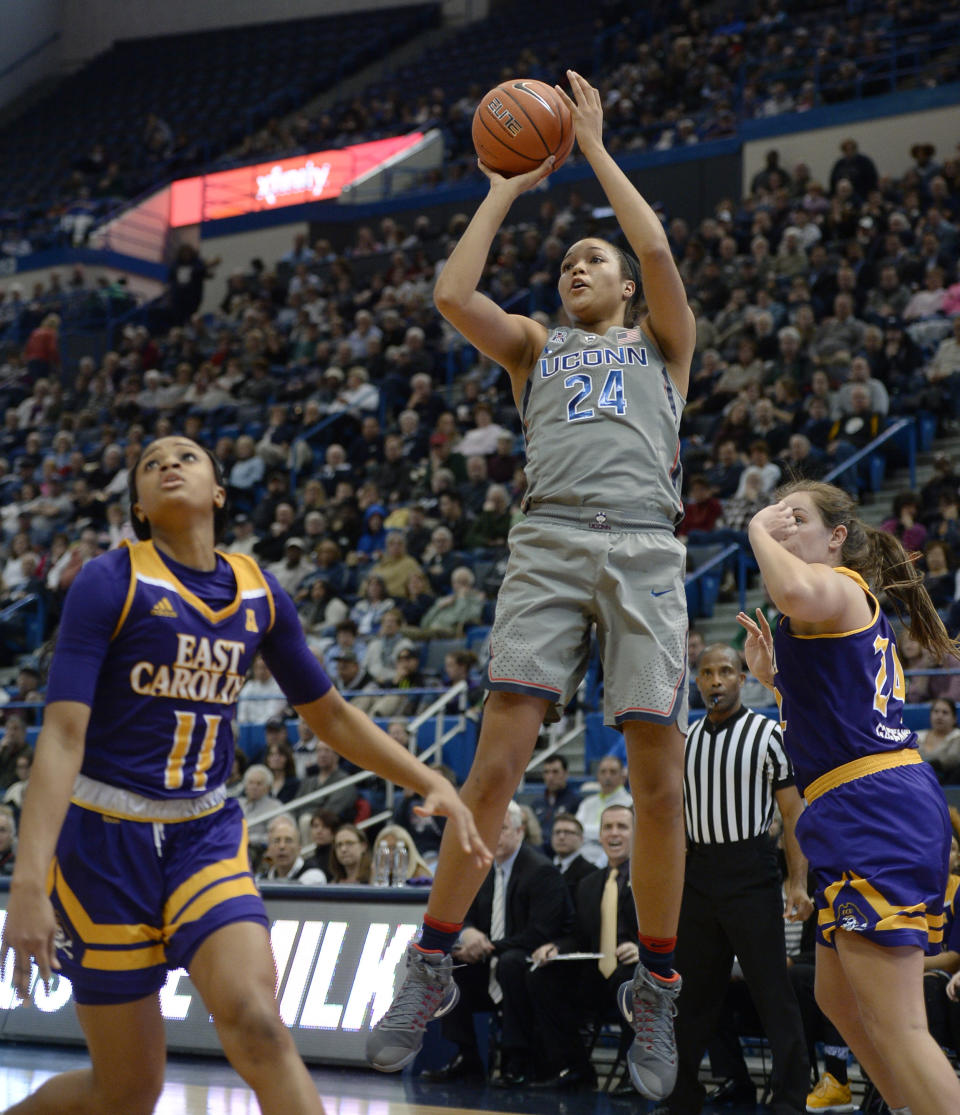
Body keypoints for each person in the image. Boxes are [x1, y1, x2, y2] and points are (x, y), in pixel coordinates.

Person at [368, 71, 695, 1104]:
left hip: (646, 545)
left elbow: (654, 247)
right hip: (549, 542)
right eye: (564, 262)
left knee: (657, 779)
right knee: (496, 765)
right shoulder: (535, 348)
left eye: (586, 257)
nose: (573, 269)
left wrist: (594, 151)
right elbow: (453, 295)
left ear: (625, 290)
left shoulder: (662, 344)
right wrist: (511, 179)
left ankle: (658, 979)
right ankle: (429, 959)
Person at [0, 435, 487, 1115]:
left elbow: (332, 715)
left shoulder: (259, 590)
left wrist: (427, 778)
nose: (170, 462)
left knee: (258, 1022)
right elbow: (60, 734)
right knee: (126, 1090)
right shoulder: (110, 580)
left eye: (188, 455)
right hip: (102, 845)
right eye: (151, 462)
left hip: (203, 832)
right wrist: (28, 883)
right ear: (139, 505)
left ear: (220, 492)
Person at [738, 479, 960, 1115]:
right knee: (838, 999)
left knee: (899, 1025)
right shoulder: (823, 615)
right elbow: (836, 719)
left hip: (876, 806)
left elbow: (793, 587)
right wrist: (775, 681)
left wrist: (757, 528)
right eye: (780, 516)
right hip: (854, 803)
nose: (783, 525)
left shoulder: (833, 587)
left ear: (836, 538)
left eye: (796, 517)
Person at [661, 643, 811, 1115]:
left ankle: (790, 1100)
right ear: (697, 681)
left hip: (751, 872)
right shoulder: (683, 739)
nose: (716, 681)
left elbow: (792, 814)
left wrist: (798, 882)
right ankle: (683, 1097)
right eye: (706, 673)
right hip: (698, 874)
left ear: (742, 678)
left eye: (725, 671)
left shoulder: (767, 734)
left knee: (773, 993)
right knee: (691, 997)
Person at [419, 801, 572, 1086]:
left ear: (519, 830)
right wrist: (469, 935)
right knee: (452, 966)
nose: (494, 836)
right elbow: (463, 915)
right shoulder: (482, 869)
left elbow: (539, 933)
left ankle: (517, 1059)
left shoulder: (542, 871)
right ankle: (466, 1056)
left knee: (511, 963)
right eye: (488, 829)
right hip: (493, 958)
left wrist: (487, 946)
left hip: (532, 961)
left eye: (501, 829)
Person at [528, 803, 638, 1091]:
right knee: (542, 976)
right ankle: (575, 1067)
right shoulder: (589, 883)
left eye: (622, 827)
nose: (614, 834)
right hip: (596, 974)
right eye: (607, 827)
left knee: (632, 978)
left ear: (637, 833)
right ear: (599, 836)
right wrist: (554, 947)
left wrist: (643, 948)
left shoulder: (652, 878)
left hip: (636, 970)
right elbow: (577, 935)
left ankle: (634, 1071)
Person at [576, 754, 633, 866]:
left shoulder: (630, 803)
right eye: (603, 772)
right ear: (597, 776)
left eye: (613, 772)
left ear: (623, 777)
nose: (607, 776)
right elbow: (577, 831)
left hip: (617, 857)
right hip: (584, 854)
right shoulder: (587, 803)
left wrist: (587, 831)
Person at [531, 754, 582, 852]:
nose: (550, 777)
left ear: (566, 774)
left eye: (555, 772)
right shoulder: (536, 803)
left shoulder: (576, 802)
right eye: (546, 772)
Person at [257, 814, 327, 886]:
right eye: (276, 841)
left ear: (299, 848)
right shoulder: (261, 880)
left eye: (288, 840)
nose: (282, 846)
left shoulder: (314, 876)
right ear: (269, 849)